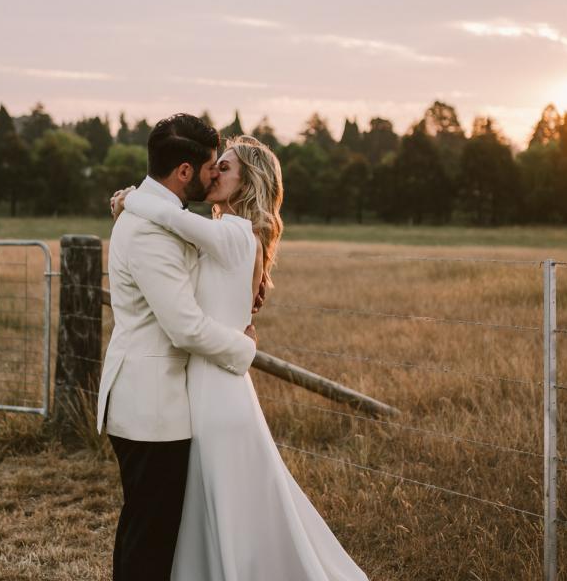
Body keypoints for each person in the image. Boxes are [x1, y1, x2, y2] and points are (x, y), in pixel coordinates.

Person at [111, 133, 368, 581]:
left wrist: (130, 199)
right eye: (215, 164)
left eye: (224, 167)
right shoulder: (225, 234)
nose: (214, 172)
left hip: (217, 391)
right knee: (218, 508)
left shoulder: (232, 232)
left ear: (248, 183)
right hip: (211, 386)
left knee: (228, 510)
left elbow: (170, 217)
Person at [97, 114, 259, 581]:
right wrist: (244, 350)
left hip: (160, 402)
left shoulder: (155, 212)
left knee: (149, 530)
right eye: (212, 165)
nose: (215, 173)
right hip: (151, 404)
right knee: (151, 537)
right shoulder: (148, 228)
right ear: (185, 171)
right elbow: (184, 327)